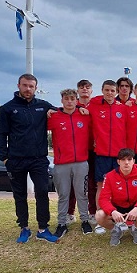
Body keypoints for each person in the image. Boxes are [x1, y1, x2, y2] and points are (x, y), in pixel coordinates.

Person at [0, 73, 58, 243]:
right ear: (19, 86)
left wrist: (59, 110)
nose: (28, 89)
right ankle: (24, 228)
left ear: (36, 88)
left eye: (31, 86)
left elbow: (63, 111)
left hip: (38, 159)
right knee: (20, 195)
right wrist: (5, 158)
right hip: (16, 160)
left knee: (42, 192)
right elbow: (1, 135)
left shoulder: (43, 106)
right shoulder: (7, 109)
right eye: (25, 85)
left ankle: (43, 229)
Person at [48, 88, 92, 238]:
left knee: (82, 194)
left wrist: (81, 108)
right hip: (61, 164)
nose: (69, 102)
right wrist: (49, 111)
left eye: (72, 99)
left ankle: (85, 220)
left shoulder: (84, 115)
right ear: (62, 100)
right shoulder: (54, 116)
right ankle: (62, 223)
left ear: (76, 100)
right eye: (66, 99)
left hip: (81, 163)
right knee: (63, 195)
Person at [87, 80, 128, 233]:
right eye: (107, 90)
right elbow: (81, 106)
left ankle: (119, 219)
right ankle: (100, 219)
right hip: (102, 154)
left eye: (112, 90)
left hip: (119, 155)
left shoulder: (123, 108)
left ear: (116, 91)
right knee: (101, 186)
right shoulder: (94, 105)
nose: (110, 93)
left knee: (119, 187)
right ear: (102, 90)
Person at [95, 148, 137, 246]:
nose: (126, 163)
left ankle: (135, 229)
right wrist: (112, 211)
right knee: (99, 215)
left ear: (133, 161)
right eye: (123, 160)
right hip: (117, 208)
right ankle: (115, 230)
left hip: (133, 206)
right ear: (118, 162)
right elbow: (103, 199)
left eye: (129, 159)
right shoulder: (110, 176)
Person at [66, 79, 98, 229]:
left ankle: (93, 212)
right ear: (77, 90)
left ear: (92, 90)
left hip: (94, 150)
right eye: (81, 87)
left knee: (92, 183)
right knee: (73, 183)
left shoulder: (97, 105)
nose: (85, 89)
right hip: (77, 150)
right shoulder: (72, 105)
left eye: (87, 87)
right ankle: (69, 212)